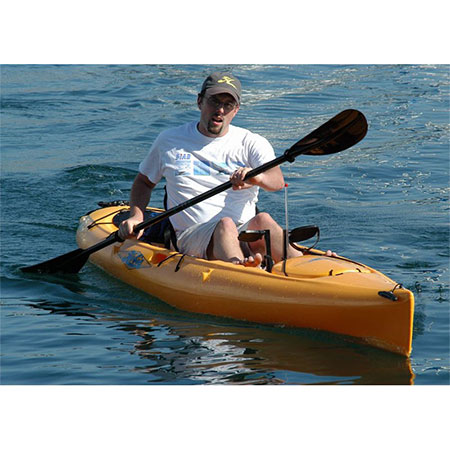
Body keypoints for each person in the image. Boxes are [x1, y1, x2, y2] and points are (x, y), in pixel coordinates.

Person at [118, 71, 335, 266]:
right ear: (200, 101)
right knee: (225, 225)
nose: (220, 110)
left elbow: (277, 181)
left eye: (228, 105)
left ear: (236, 110)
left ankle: (305, 265)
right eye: (214, 101)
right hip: (190, 236)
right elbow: (144, 182)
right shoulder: (169, 141)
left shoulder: (251, 142)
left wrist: (256, 179)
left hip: (245, 232)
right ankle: (243, 271)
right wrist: (136, 216)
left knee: (264, 220)